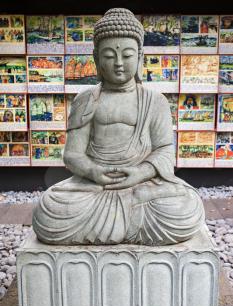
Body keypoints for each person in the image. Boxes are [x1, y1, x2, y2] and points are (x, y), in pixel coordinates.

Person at [33, 8, 205, 246]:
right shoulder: (86, 99)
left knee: (186, 206)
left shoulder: (155, 101)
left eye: (127, 55)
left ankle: (124, 215)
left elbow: (165, 152)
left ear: (140, 56)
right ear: (96, 59)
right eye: (109, 56)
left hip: (142, 185)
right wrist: (93, 171)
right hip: (95, 185)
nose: (119, 63)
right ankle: (131, 223)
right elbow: (72, 154)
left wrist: (140, 173)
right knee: (49, 209)